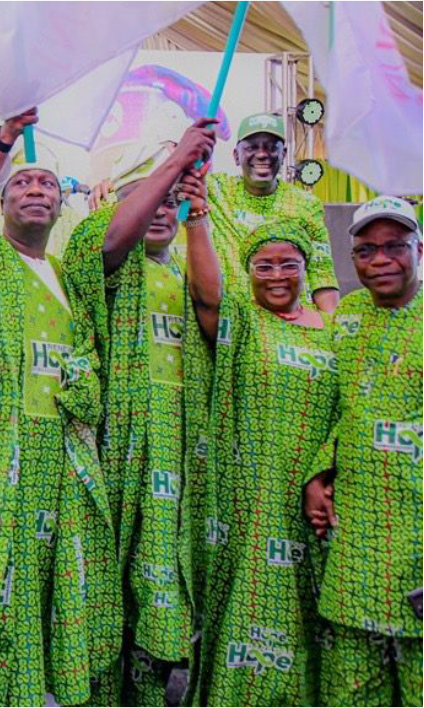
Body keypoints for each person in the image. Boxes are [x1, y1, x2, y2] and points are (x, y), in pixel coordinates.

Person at [0, 109, 119, 707]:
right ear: (2, 200)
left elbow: (88, 358)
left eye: (46, 185)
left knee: (52, 585)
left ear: (61, 206)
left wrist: (81, 382)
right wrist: (4, 140)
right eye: (22, 183)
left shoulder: (65, 276)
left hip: (60, 460)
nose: (35, 192)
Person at [61, 119, 217, 706]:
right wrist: (175, 159)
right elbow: (107, 243)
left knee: (159, 593)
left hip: (174, 460)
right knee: (105, 596)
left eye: (171, 201)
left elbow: (218, 314)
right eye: (147, 194)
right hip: (112, 454)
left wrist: (194, 209)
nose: (161, 209)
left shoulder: (191, 267)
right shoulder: (97, 257)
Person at [187, 166, 338, 704]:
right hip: (258, 506)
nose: (277, 275)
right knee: (257, 619)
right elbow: (207, 298)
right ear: (248, 271)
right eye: (264, 265)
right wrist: (199, 219)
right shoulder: (245, 322)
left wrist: (325, 474)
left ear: (307, 268)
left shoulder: (336, 331)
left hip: (326, 501)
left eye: (288, 265)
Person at [304, 196, 422, 707]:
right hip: (355, 547)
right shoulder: (347, 316)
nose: (380, 260)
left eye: (394, 246)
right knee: (350, 693)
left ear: (420, 248)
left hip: (418, 547)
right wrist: (317, 473)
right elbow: (339, 408)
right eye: (365, 250)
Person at [206, 112, 339, 312]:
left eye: (270, 147)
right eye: (252, 147)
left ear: (284, 154)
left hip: (288, 327)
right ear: (236, 155)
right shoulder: (215, 190)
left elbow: (322, 273)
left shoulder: (306, 205)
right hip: (231, 323)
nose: (262, 154)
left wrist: (330, 331)